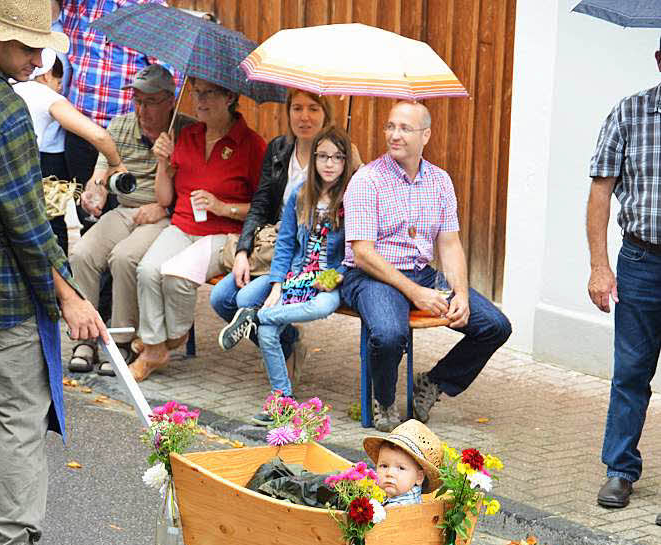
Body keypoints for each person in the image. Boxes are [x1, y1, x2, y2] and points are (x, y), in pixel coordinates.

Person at [0, 0, 108, 545]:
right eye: (27, 47)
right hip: (0, 297)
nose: (39, 60)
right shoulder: (3, 111)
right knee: (20, 421)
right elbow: (26, 221)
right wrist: (69, 296)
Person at [341, 100, 512, 432]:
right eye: (390, 126)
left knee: (494, 325)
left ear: (426, 135)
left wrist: (460, 293)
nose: (394, 134)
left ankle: (433, 382)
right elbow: (362, 253)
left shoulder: (440, 181)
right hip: (371, 275)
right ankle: (386, 400)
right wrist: (415, 292)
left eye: (405, 128)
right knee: (390, 334)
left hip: (421, 272)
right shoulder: (367, 179)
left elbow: (449, 244)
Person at [131, 78, 266, 382]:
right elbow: (165, 199)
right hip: (183, 224)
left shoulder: (252, 144)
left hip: (225, 234)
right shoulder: (188, 135)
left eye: (208, 94)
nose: (199, 101)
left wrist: (222, 206)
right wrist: (162, 163)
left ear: (230, 96)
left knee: (177, 276)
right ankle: (154, 346)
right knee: (148, 270)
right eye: (196, 93)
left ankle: (173, 337)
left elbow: (265, 209)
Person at [218, 126, 352, 425]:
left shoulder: (352, 199)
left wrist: (334, 277)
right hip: (297, 274)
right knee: (267, 332)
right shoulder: (300, 194)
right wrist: (277, 285)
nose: (329, 163)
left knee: (321, 306)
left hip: (327, 279)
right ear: (314, 158)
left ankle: (257, 315)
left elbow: (354, 253)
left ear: (346, 163)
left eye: (338, 157)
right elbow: (286, 243)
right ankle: (283, 398)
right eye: (323, 156)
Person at [67, 64, 188, 375]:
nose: (141, 109)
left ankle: (120, 339)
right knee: (81, 254)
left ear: (170, 101)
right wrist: (96, 190)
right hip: (124, 210)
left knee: (124, 257)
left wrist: (166, 208)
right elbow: (101, 169)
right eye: (137, 100)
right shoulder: (120, 125)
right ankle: (87, 336)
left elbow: (193, 189)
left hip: (164, 215)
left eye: (150, 102)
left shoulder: (186, 131)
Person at [210, 91, 332, 384]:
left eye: (313, 109)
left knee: (245, 298)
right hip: (272, 246)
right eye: (297, 108)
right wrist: (242, 250)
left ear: (326, 114)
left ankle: (280, 352)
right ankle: (289, 342)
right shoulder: (279, 149)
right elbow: (261, 203)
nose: (304, 117)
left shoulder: (336, 154)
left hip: (308, 255)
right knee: (221, 299)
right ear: (288, 112)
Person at [586, 40, 661, 510]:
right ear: (659, 59)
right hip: (641, 263)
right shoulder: (629, 114)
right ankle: (619, 469)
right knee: (631, 372)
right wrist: (599, 266)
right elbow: (600, 192)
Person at [12, 47, 126, 255]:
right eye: (59, 82)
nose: (59, 89)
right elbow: (98, 136)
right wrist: (116, 163)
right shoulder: (44, 94)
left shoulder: (9, 86)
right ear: (47, 75)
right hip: (18, 180)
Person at [59, 0, 169, 203]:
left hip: (125, 136)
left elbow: (168, 75)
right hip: (81, 130)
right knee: (86, 205)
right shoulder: (79, 4)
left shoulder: (150, 7)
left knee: (122, 205)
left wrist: (155, 128)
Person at [363, 419, 442, 507]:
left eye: (401, 468)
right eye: (384, 466)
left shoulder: (395, 508)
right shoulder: (402, 495)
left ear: (419, 477)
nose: (389, 473)